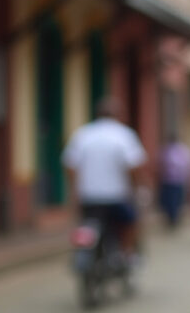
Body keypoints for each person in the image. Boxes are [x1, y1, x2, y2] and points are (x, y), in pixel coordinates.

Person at [62, 96, 147, 256]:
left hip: (89, 196)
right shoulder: (124, 135)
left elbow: (70, 164)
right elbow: (134, 166)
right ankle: (127, 254)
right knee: (131, 222)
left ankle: (82, 251)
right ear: (118, 115)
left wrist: (75, 189)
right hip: (117, 196)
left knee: (85, 223)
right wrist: (138, 188)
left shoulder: (83, 134)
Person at [158, 133, 190, 228]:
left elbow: (186, 165)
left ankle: (174, 218)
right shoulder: (167, 149)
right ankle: (172, 218)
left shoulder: (178, 150)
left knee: (176, 200)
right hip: (170, 180)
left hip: (176, 180)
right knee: (171, 200)